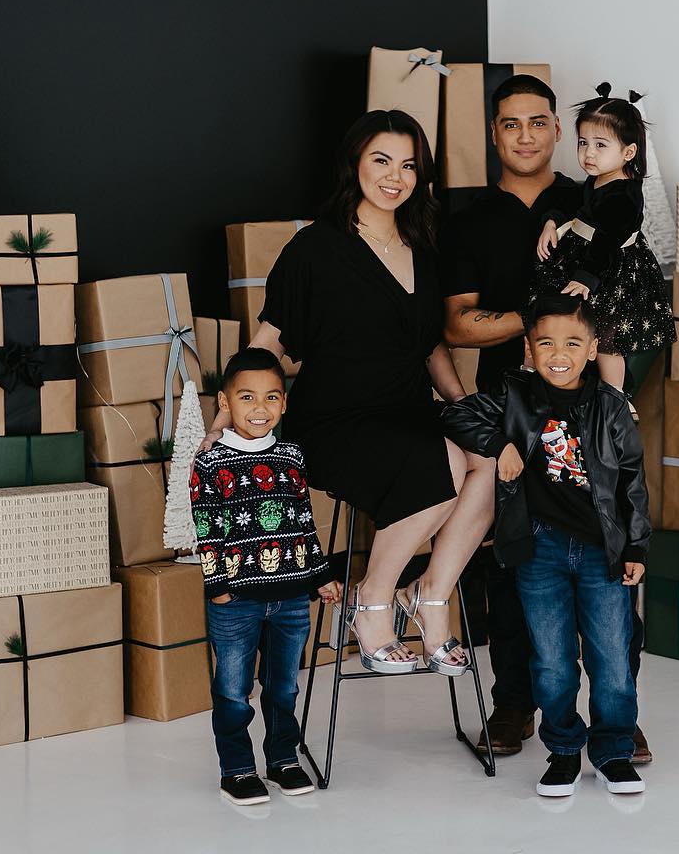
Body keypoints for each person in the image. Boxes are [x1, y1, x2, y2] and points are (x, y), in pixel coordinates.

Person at [206, 109, 494, 679]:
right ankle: (373, 600)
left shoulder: (423, 245)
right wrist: (228, 416)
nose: (396, 177)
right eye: (381, 161)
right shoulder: (316, 248)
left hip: (408, 410)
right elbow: (271, 342)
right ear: (354, 166)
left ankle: (432, 593)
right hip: (336, 420)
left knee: (489, 459)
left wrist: (463, 409)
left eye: (409, 165)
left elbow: (430, 346)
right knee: (443, 466)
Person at [442, 75, 652, 763]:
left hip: (590, 413)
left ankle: (617, 709)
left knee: (608, 545)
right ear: (494, 134)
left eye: (539, 121)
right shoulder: (468, 218)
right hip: (511, 406)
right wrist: (540, 329)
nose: (526, 134)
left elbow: (622, 294)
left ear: (561, 134)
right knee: (513, 559)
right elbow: (459, 326)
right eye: (511, 124)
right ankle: (514, 701)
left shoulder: (591, 192)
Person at [442, 294, 649, 797]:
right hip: (540, 551)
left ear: (593, 349)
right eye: (546, 343)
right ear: (528, 351)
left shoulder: (611, 406)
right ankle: (563, 753)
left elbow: (632, 483)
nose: (559, 353)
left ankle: (614, 752)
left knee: (612, 660)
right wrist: (500, 445)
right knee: (552, 661)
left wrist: (637, 547)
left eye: (573, 343)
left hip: (603, 551)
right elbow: (454, 416)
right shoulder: (513, 396)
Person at [195, 348, 343, 805]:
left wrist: (319, 575)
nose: (259, 409)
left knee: (283, 685)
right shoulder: (211, 461)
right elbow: (207, 525)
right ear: (225, 402)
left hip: (292, 598)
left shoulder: (291, 456)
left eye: (271, 398)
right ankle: (236, 770)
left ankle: (282, 760)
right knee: (234, 690)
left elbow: (303, 520)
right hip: (236, 597)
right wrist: (217, 586)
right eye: (247, 398)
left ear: (283, 404)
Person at [531, 82, 676, 395]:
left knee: (608, 340)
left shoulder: (625, 195)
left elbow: (608, 242)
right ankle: (553, 381)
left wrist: (586, 278)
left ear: (628, 152)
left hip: (611, 272)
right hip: (588, 262)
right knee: (570, 326)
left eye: (600, 145)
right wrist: (551, 222)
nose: (588, 153)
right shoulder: (595, 180)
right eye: (583, 143)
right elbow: (570, 206)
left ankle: (616, 395)